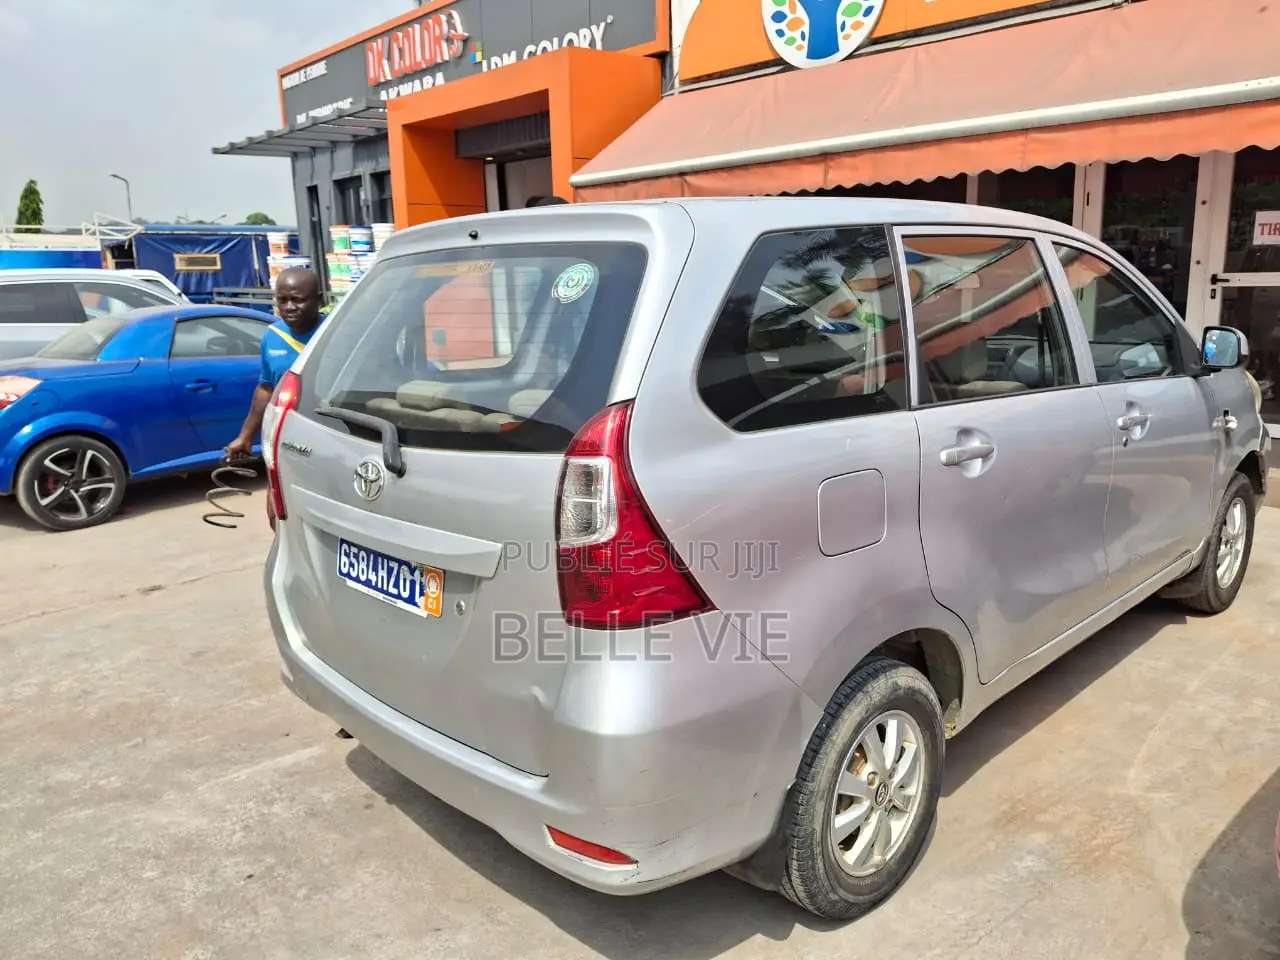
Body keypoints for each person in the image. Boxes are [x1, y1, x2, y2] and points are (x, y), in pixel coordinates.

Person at [225, 267, 324, 461]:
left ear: (319, 299)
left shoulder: (335, 332)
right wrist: (245, 437)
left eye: (298, 300)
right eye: (282, 300)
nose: (289, 307)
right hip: (289, 439)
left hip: (330, 435)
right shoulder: (272, 336)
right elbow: (266, 389)